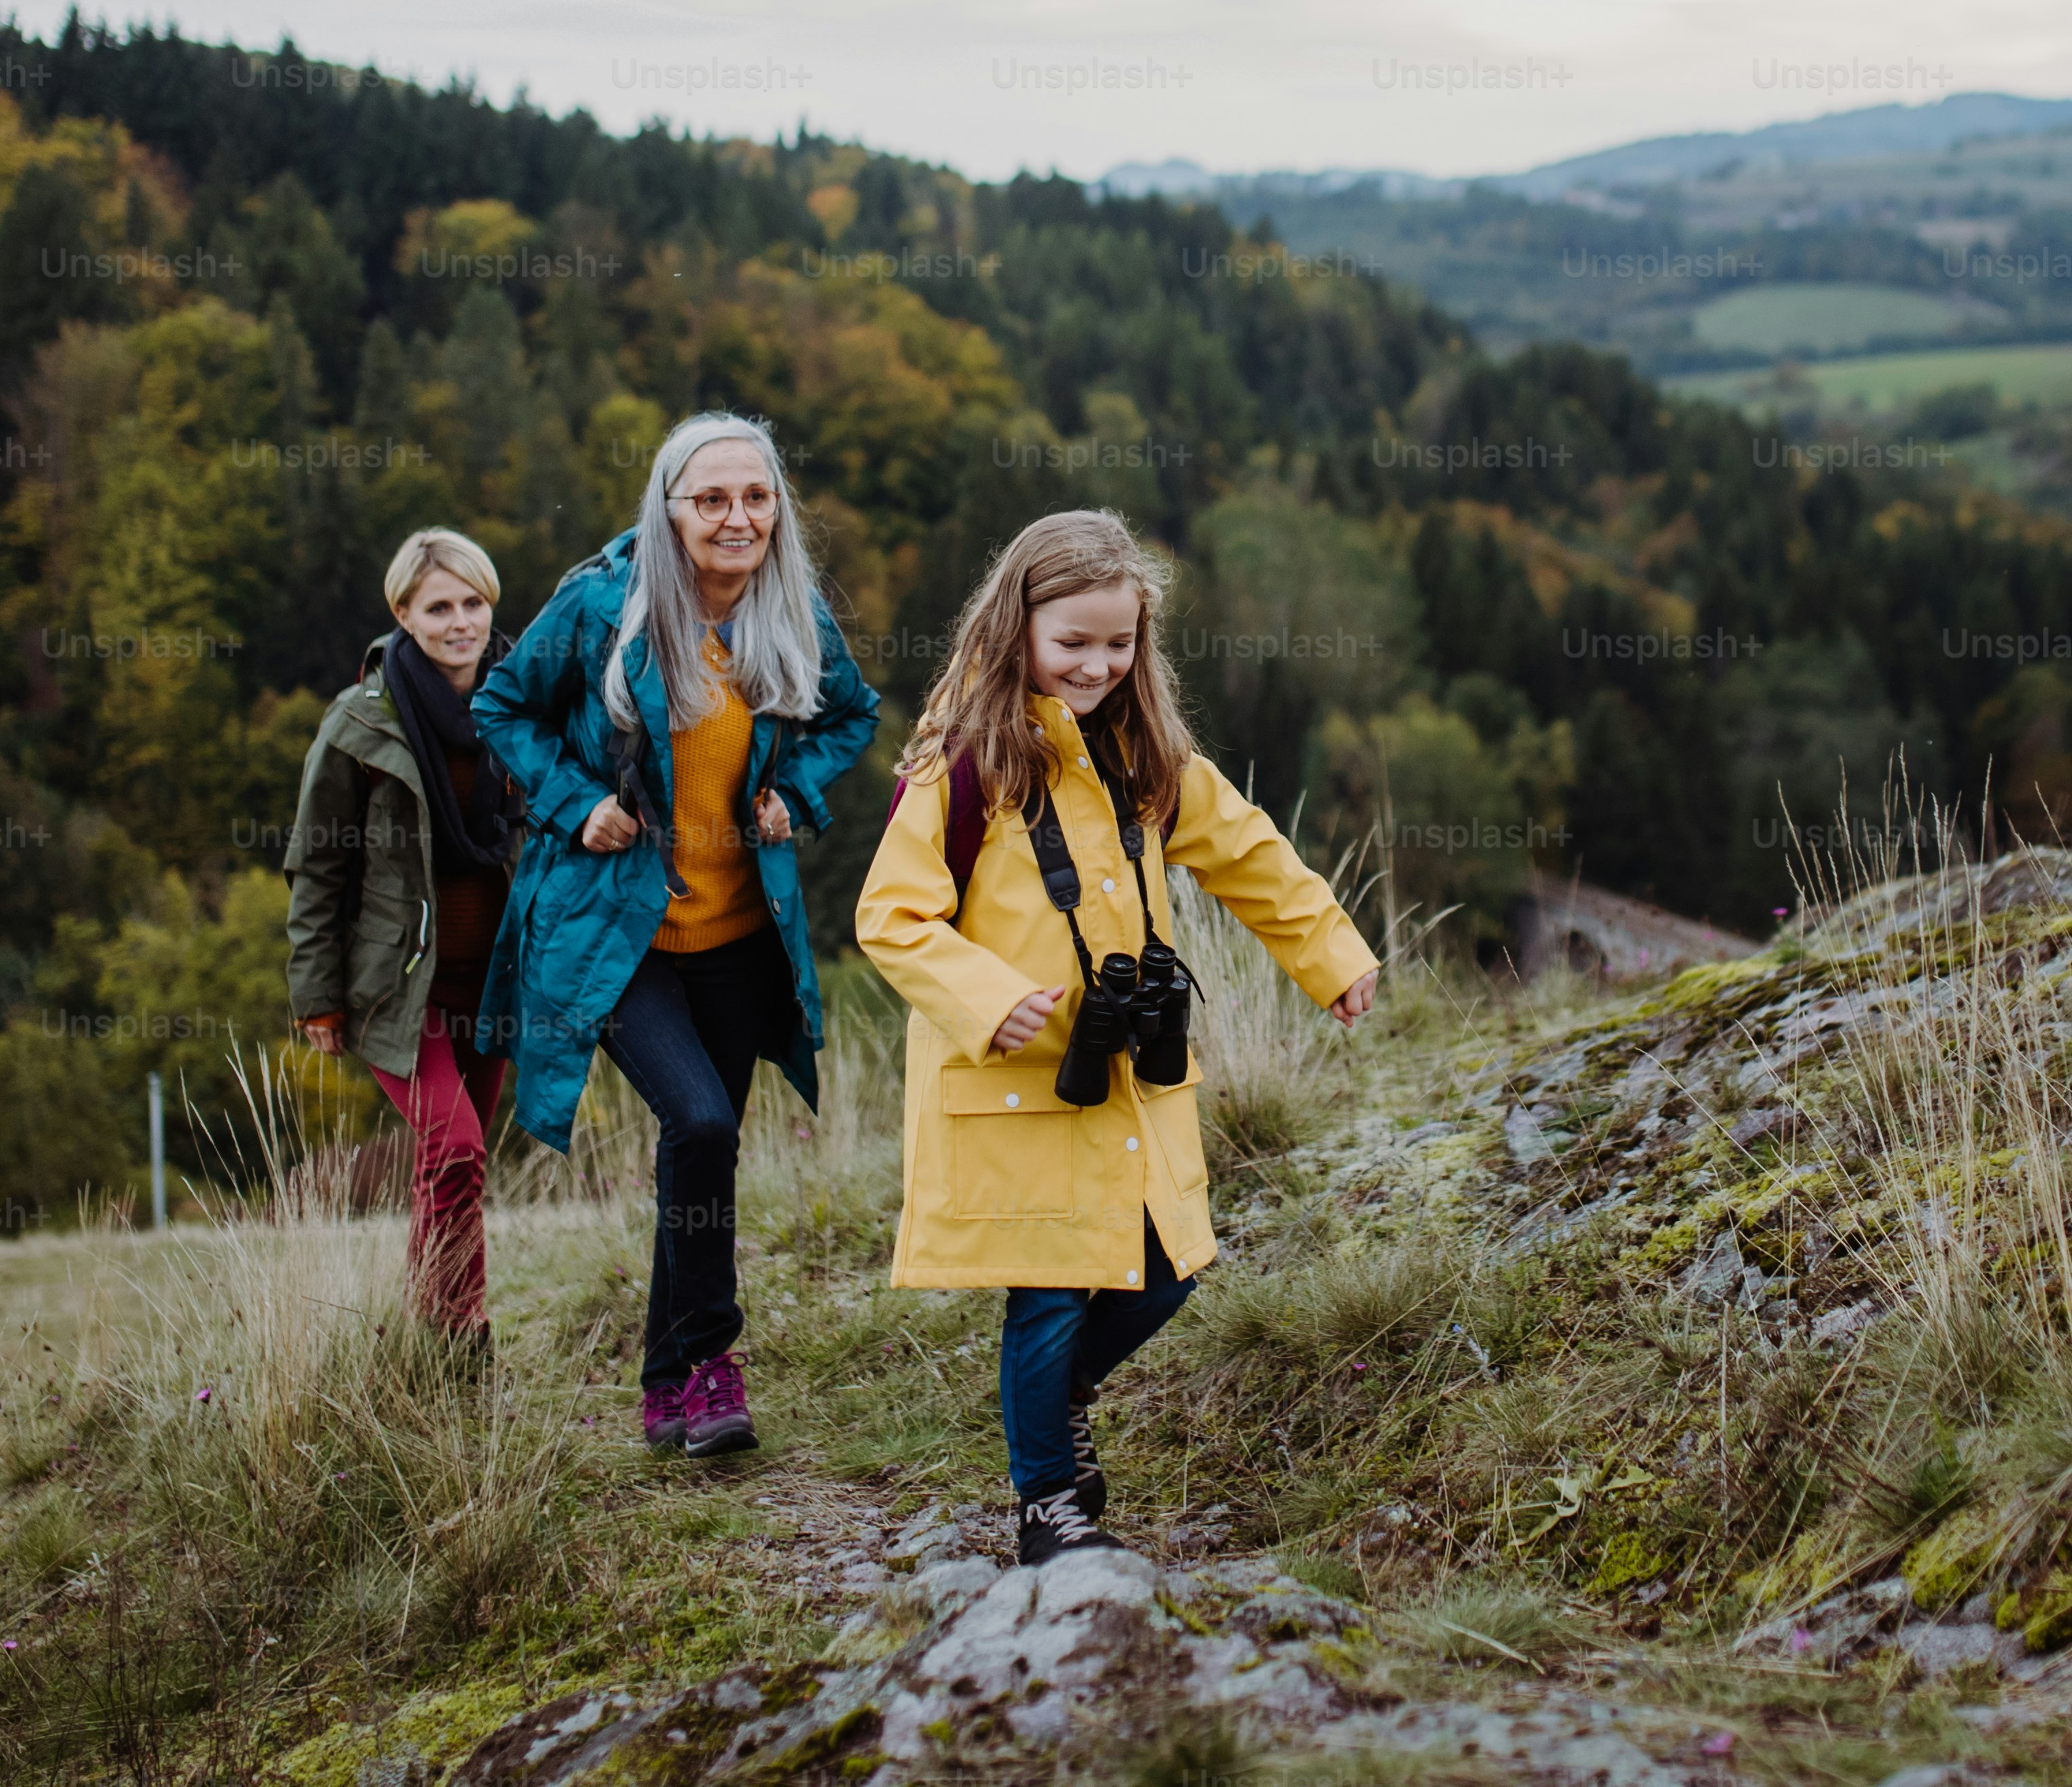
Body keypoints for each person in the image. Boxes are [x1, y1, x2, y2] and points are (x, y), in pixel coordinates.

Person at [859, 509, 1378, 1565]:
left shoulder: (1147, 755)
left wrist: (1331, 953)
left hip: (1132, 1071)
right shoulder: (962, 762)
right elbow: (892, 916)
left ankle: (1059, 1397)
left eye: (1119, 642)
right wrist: (982, 994)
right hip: (1015, 1081)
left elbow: (1248, 853)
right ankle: (1047, 1499)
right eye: (1073, 643)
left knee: (1169, 1264)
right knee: (1048, 1290)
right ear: (1016, 628)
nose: (1097, 665)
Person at [474, 412, 881, 1456]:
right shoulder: (605, 605)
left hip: (745, 937)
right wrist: (572, 804)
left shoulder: (790, 610)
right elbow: (501, 706)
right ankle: (713, 1364)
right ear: (670, 509)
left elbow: (851, 715)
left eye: (755, 497)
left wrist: (795, 788)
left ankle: (667, 1385)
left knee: (702, 1155)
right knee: (700, 1124)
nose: (737, 517)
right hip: (622, 935)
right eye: (713, 499)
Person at [285, 527, 526, 1356]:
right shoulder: (361, 723)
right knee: (452, 1145)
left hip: (494, 980)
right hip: (399, 984)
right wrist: (315, 994)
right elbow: (318, 866)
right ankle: (464, 1325)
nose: (461, 622)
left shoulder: (519, 701)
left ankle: (434, 1339)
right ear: (403, 614)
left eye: (473, 601)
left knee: (454, 1165)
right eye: (439, 607)